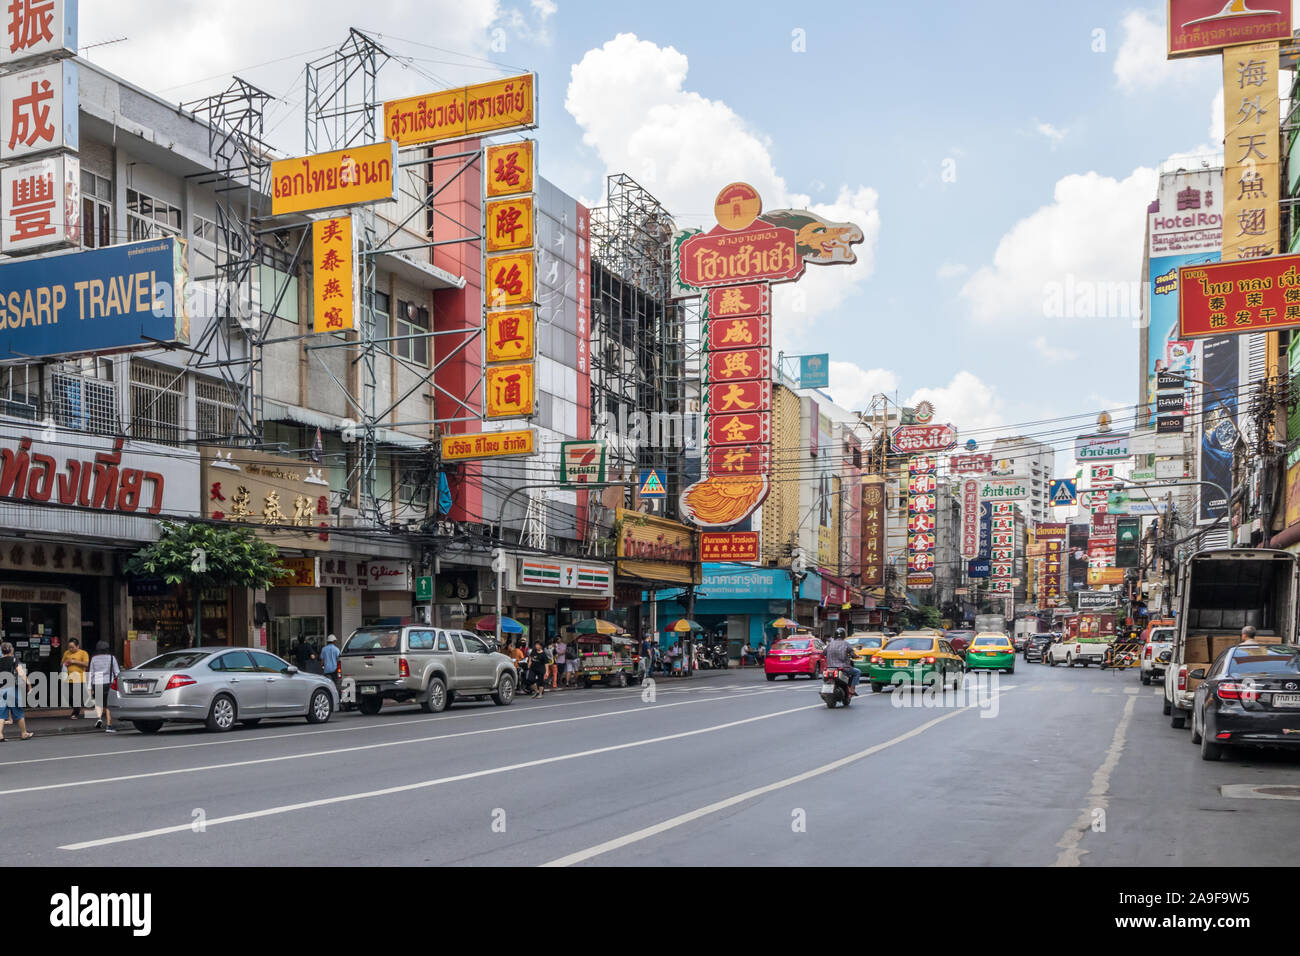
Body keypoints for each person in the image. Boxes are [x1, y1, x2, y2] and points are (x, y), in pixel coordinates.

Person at [0, 642, 33, 740]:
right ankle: (24, 733)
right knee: (18, 712)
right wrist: (29, 683)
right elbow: (21, 672)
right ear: (11, 650)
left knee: (1, 713)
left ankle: (0, 735)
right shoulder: (14, 659)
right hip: (12, 689)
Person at [87, 641, 120, 733]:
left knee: (98, 703)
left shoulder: (93, 659)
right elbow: (117, 672)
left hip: (96, 683)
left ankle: (99, 719)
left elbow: (91, 673)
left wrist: (89, 687)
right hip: (108, 683)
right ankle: (109, 725)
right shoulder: (112, 658)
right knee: (108, 705)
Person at [824, 627, 859, 697]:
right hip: (843, 668)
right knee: (857, 672)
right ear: (844, 635)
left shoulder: (830, 644)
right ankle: (852, 689)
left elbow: (824, 653)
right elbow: (852, 654)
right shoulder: (846, 644)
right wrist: (856, 656)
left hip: (830, 668)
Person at [61, 637, 90, 718]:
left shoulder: (83, 653)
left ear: (77, 646)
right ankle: (76, 707)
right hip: (68, 678)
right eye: (69, 647)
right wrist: (65, 664)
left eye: (72, 647)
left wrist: (74, 661)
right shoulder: (66, 653)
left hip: (79, 678)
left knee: (76, 696)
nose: (70, 649)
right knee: (68, 696)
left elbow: (86, 664)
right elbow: (62, 663)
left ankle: (75, 713)